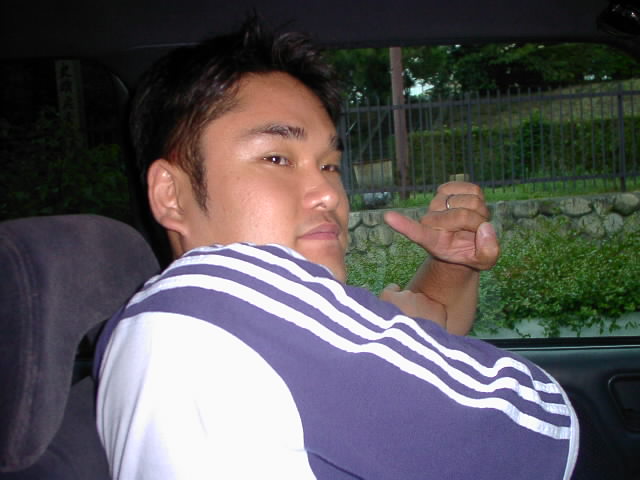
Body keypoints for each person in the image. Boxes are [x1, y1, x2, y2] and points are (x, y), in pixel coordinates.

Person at [94, 17, 578, 479]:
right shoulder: (225, 301)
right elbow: (542, 427)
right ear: (171, 195)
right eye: (276, 158)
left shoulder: (169, 323)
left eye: (328, 165)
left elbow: (417, 345)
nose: (329, 193)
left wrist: (449, 267)